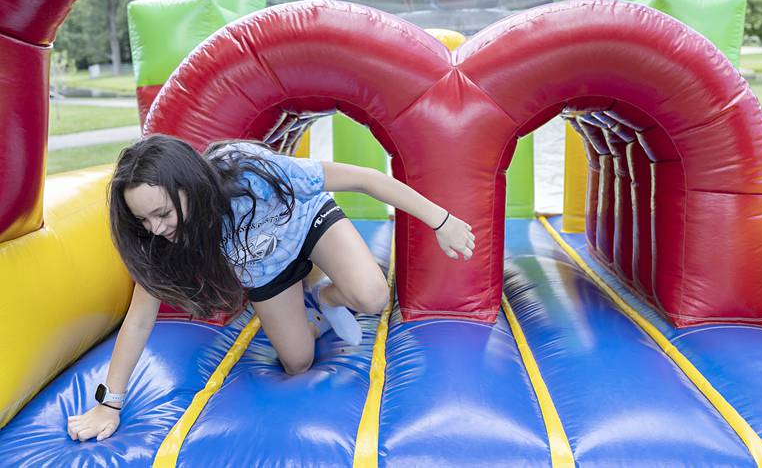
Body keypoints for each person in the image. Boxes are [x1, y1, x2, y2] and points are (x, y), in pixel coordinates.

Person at [67, 133, 474, 442]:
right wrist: (109, 404)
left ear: (190, 185)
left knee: (373, 296)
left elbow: (365, 179)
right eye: (143, 220)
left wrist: (442, 221)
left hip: (309, 226)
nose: (156, 228)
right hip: (265, 270)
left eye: (162, 212)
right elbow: (138, 322)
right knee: (298, 362)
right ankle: (316, 307)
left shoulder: (249, 172)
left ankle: (330, 294)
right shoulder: (165, 240)